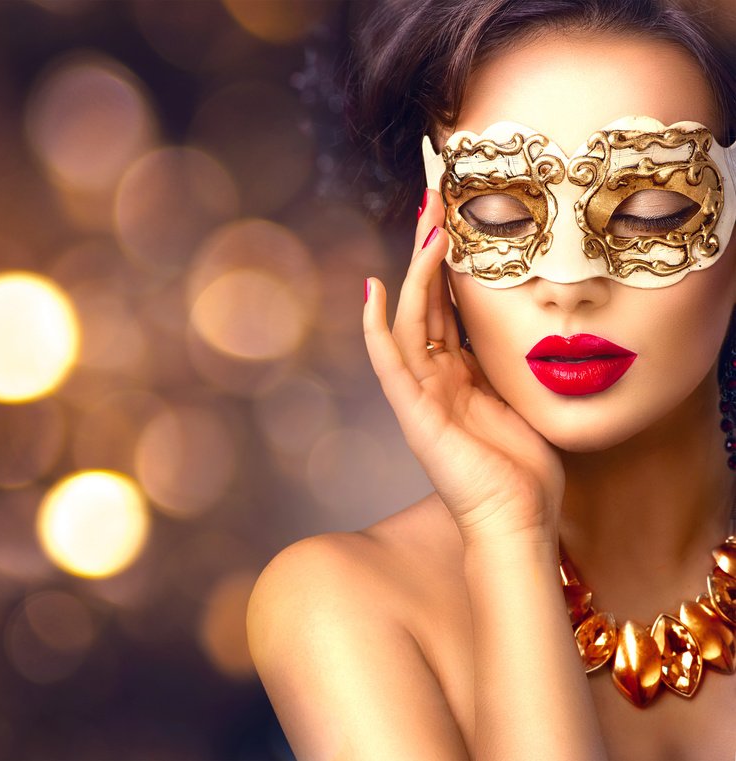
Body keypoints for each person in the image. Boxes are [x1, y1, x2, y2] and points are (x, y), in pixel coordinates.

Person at [246, 0, 736, 758]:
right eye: (503, 215)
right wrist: (508, 536)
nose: (569, 279)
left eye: (650, 210)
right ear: (435, 234)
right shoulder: (343, 604)